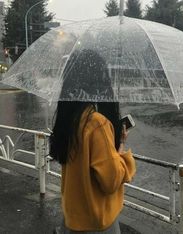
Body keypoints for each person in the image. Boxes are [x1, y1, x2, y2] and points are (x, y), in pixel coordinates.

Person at [50, 49, 136, 233]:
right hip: (97, 224)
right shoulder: (96, 123)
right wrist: (120, 146)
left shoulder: (70, 119)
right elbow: (111, 180)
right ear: (99, 81)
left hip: (71, 218)